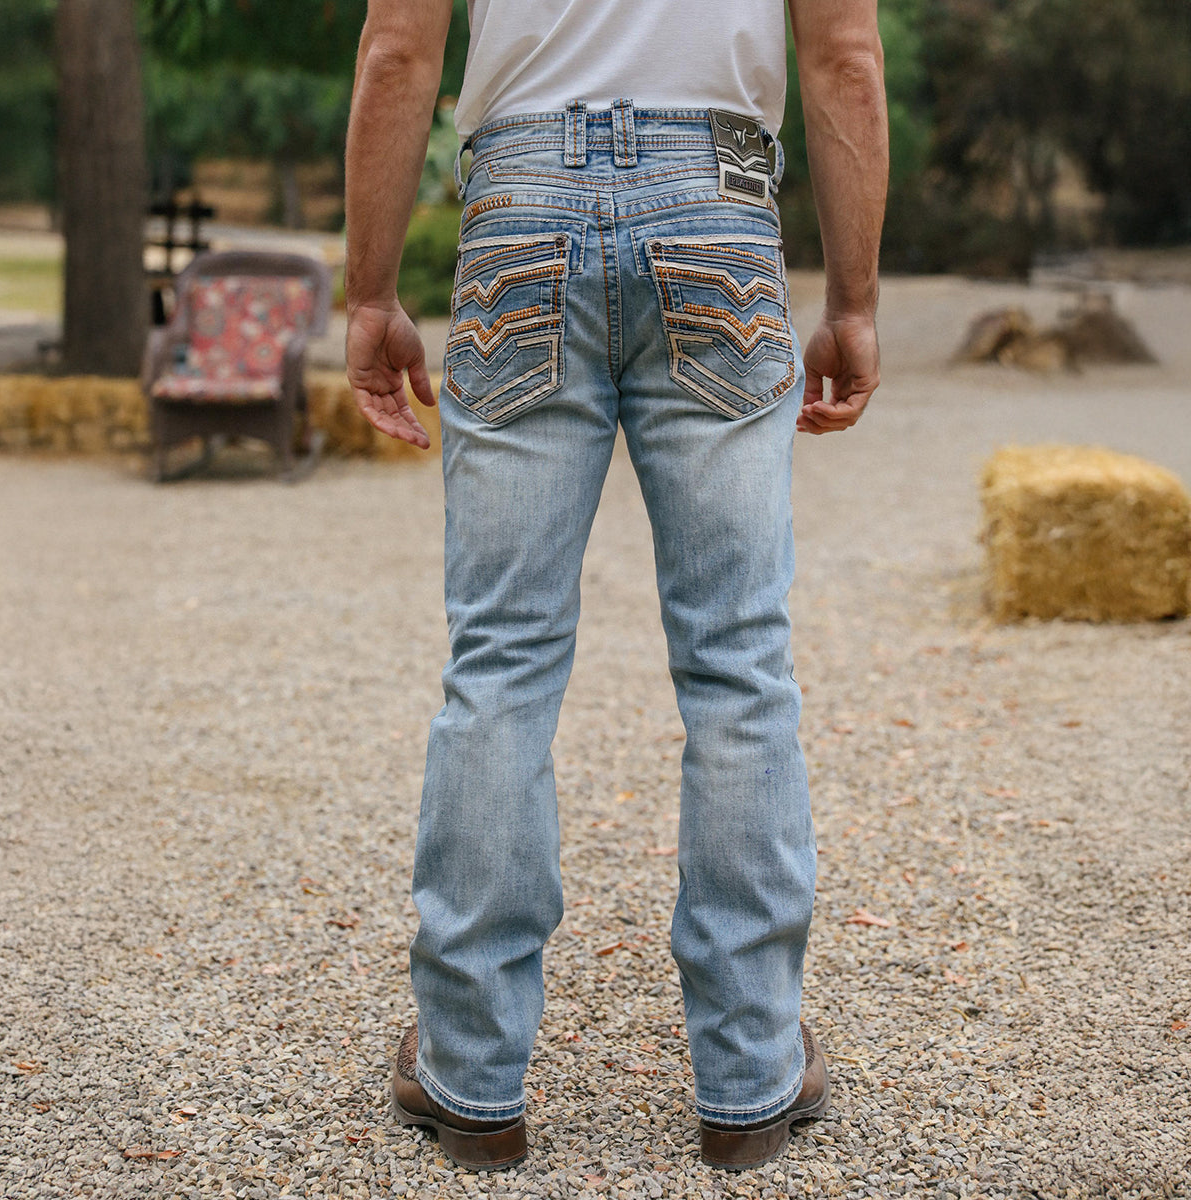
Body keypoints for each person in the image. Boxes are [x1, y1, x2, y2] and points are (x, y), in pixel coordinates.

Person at [345, 0, 888, 1173]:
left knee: (500, 660)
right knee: (740, 664)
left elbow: (399, 48)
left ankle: (471, 1073)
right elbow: (841, 51)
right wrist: (852, 305)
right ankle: (749, 1075)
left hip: (520, 203)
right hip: (717, 208)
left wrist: (368, 290)